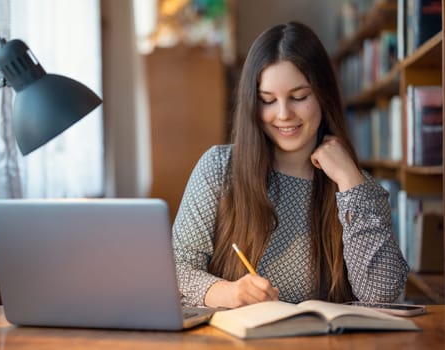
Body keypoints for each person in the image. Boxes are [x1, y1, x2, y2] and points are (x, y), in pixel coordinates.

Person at [172, 21, 409, 309]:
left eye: (299, 97)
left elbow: (382, 294)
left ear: (323, 96)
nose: (283, 114)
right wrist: (227, 293)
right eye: (267, 101)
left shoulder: (359, 189)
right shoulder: (219, 168)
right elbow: (176, 269)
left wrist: (349, 179)